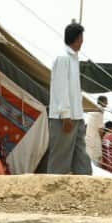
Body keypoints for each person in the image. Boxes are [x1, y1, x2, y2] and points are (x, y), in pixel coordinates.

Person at [45, 22, 92, 175]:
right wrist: (65, 115)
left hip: (77, 116)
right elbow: (61, 89)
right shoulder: (63, 58)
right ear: (77, 38)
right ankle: (53, 192)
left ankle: (86, 186)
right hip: (64, 118)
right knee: (60, 160)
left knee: (82, 159)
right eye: (81, 38)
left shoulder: (74, 59)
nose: (83, 41)